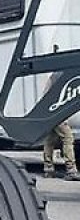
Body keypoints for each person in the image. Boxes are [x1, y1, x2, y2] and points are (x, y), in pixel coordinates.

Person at [43, 45, 80, 180]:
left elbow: (45, 94)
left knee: (49, 140)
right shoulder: (66, 75)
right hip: (58, 113)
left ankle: (48, 169)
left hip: (50, 112)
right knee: (68, 138)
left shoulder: (54, 75)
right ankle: (71, 170)